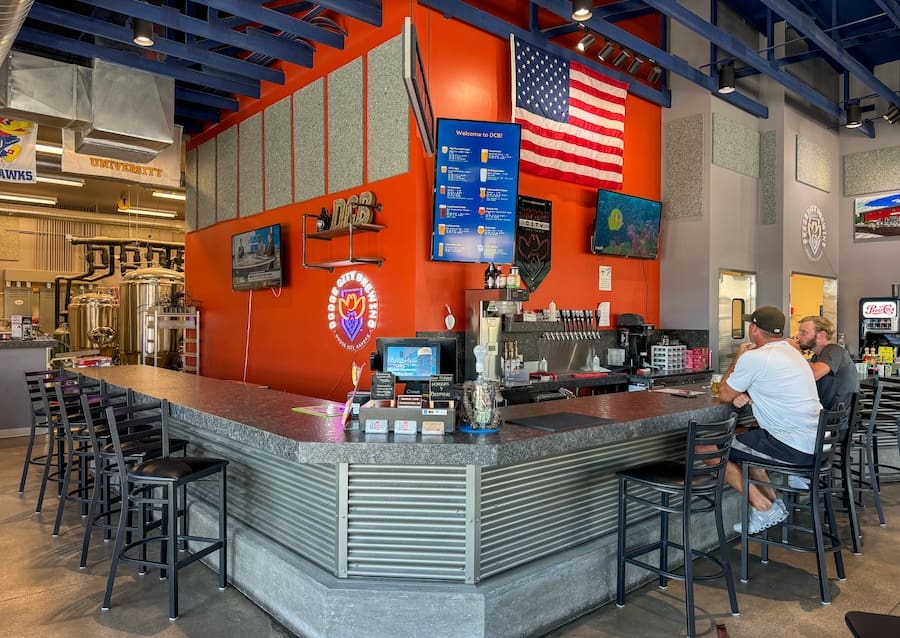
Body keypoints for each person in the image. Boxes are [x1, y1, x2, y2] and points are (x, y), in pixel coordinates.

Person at [716, 306, 823, 534]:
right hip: (817, 444)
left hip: (793, 446)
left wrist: (738, 357)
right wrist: (749, 393)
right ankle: (773, 504)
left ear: (753, 329)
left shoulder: (754, 358)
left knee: (708, 448)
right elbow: (775, 385)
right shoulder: (792, 351)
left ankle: (764, 508)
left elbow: (724, 394)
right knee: (750, 446)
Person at [786, 315, 860, 490]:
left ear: (821, 335)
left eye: (804, 332)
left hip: (835, 428)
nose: (799, 336)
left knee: (783, 428)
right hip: (833, 425)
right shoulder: (815, 358)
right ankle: (801, 473)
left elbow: (811, 375)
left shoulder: (832, 350)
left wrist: (793, 353)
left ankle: (799, 474)